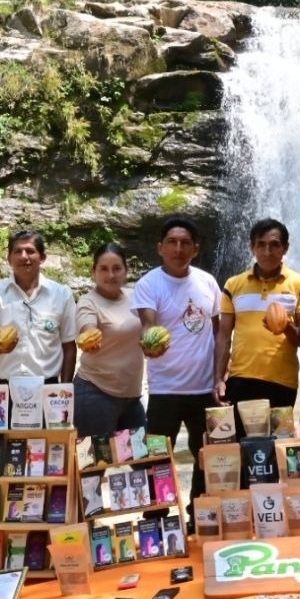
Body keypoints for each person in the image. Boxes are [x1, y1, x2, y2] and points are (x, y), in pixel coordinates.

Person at [132, 217, 221, 527]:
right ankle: (155, 521)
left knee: (206, 457)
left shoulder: (208, 282)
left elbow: (220, 331)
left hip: (203, 389)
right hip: (164, 389)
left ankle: (200, 518)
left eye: (185, 243)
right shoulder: (149, 283)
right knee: (156, 459)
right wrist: (149, 340)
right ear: (160, 247)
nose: (178, 248)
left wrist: (221, 376)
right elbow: (148, 322)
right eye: (172, 242)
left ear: (195, 249)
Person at [214, 218, 300, 436]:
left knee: (279, 449)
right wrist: (219, 379)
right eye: (261, 244)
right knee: (239, 449)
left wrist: (285, 326)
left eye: (274, 244)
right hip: (240, 380)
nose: (267, 251)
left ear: (285, 248)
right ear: (252, 247)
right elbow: (223, 336)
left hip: (283, 382)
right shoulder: (233, 285)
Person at [0, 230, 77, 384]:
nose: (23, 256)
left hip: (46, 385)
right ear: (9, 259)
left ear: (42, 258)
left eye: (30, 251)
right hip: (2, 386)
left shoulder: (62, 294)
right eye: (17, 251)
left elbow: (69, 346)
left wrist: (65, 388)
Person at [74, 243, 146, 438]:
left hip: (131, 396)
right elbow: (87, 328)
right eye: (103, 269)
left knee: (144, 462)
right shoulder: (88, 302)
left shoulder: (136, 296)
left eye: (116, 268)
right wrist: (90, 339)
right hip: (95, 392)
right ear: (93, 272)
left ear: (126, 271)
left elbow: (149, 328)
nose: (111, 275)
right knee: (95, 465)